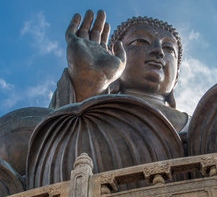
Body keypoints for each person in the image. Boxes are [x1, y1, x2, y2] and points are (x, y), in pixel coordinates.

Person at [50, 10, 189, 133]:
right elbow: (67, 143)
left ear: (176, 77)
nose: (158, 51)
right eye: (141, 41)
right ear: (115, 57)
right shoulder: (105, 112)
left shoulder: (199, 122)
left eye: (169, 48)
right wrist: (86, 87)